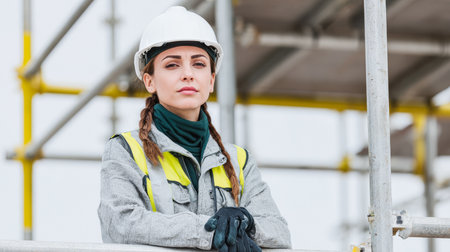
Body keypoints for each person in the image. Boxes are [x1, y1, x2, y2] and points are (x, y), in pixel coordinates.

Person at [98, 6, 291, 251]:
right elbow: (120, 224)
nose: (188, 74)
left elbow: (279, 231)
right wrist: (210, 230)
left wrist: (245, 222)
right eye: (172, 65)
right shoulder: (125, 150)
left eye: (199, 64)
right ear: (150, 81)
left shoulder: (239, 161)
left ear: (211, 80)